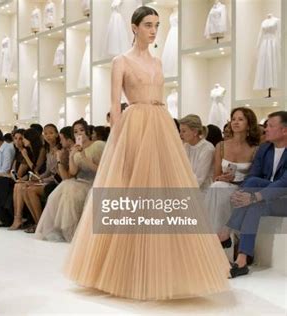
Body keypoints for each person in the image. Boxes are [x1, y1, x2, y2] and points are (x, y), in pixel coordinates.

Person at [65, 6, 230, 300]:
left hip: (160, 125)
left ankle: (171, 270)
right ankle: (121, 270)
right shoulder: (121, 61)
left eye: (157, 25)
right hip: (135, 125)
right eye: (148, 25)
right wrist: (118, 141)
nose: (153, 30)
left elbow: (161, 99)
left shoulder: (157, 62)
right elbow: (115, 105)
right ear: (134, 27)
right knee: (130, 193)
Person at [220, 111, 287, 278]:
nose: (266, 130)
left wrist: (254, 196)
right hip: (265, 198)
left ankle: (225, 232)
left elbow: (284, 183)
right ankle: (242, 260)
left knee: (253, 190)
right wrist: (244, 194)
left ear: (284, 130)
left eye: (271, 126)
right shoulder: (265, 148)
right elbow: (252, 176)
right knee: (253, 202)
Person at [35, 119, 105, 242]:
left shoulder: (98, 145)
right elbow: (72, 172)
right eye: (76, 131)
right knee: (65, 187)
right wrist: (72, 156)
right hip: (80, 181)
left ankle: (74, 231)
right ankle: (63, 230)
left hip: (95, 181)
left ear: (87, 131)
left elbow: (102, 170)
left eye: (81, 130)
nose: (79, 134)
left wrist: (83, 156)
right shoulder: (76, 149)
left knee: (70, 191)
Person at [206, 108, 260, 234]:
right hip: (221, 188)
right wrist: (222, 178)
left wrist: (236, 181)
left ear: (249, 124)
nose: (236, 122)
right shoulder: (221, 146)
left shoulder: (256, 149)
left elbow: (254, 179)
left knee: (218, 189)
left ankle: (222, 235)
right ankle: (215, 234)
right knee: (217, 186)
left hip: (243, 190)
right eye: (233, 119)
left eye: (240, 119)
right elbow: (216, 176)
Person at [9, 128, 46, 229]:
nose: (22, 141)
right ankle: (17, 218)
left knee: (21, 186)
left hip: (41, 178)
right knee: (18, 185)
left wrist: (25, 156)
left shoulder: (41, 150)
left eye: (23, 138)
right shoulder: (29, 150)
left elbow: (36, 170)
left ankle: (34, 222)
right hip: (34, 178)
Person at [179, 114, 215, 193]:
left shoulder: (207, 149)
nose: (180, 134)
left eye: (184, 131)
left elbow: (199, 179)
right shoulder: (186, 146)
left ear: (195, 132)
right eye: (180, 131)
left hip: (203, 191)